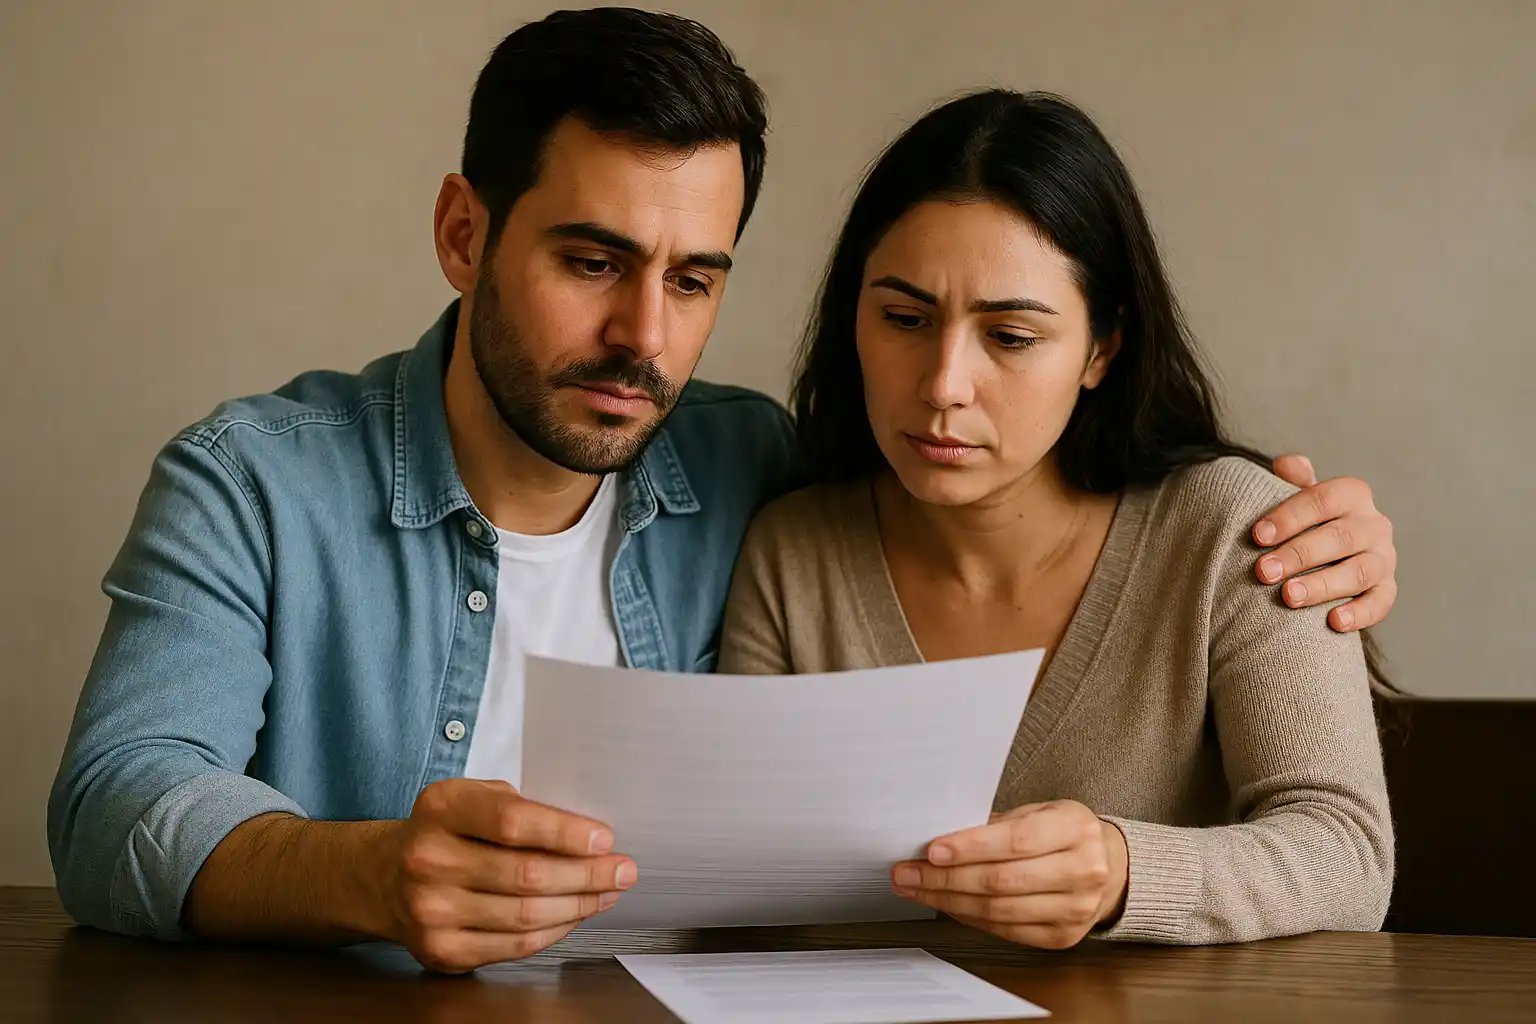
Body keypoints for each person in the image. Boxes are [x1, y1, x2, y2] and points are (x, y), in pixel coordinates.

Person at [49, 9, 1398, 973]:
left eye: (694, 279)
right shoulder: (252, 481)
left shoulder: (749, 463)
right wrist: (365, 872)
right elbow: (117, 800)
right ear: (464, 232)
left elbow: (1005, 487)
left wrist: (1321, 529)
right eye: (592, 261)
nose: (644, 336)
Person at [720, 88, 1395, 949]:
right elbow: (749, 889)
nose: (943, 384)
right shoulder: (793, 551)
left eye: (1010, 337)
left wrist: (1122, 873)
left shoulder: (1237, 536)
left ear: (1102, 348)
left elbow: (1349, 857)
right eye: (904, 318)